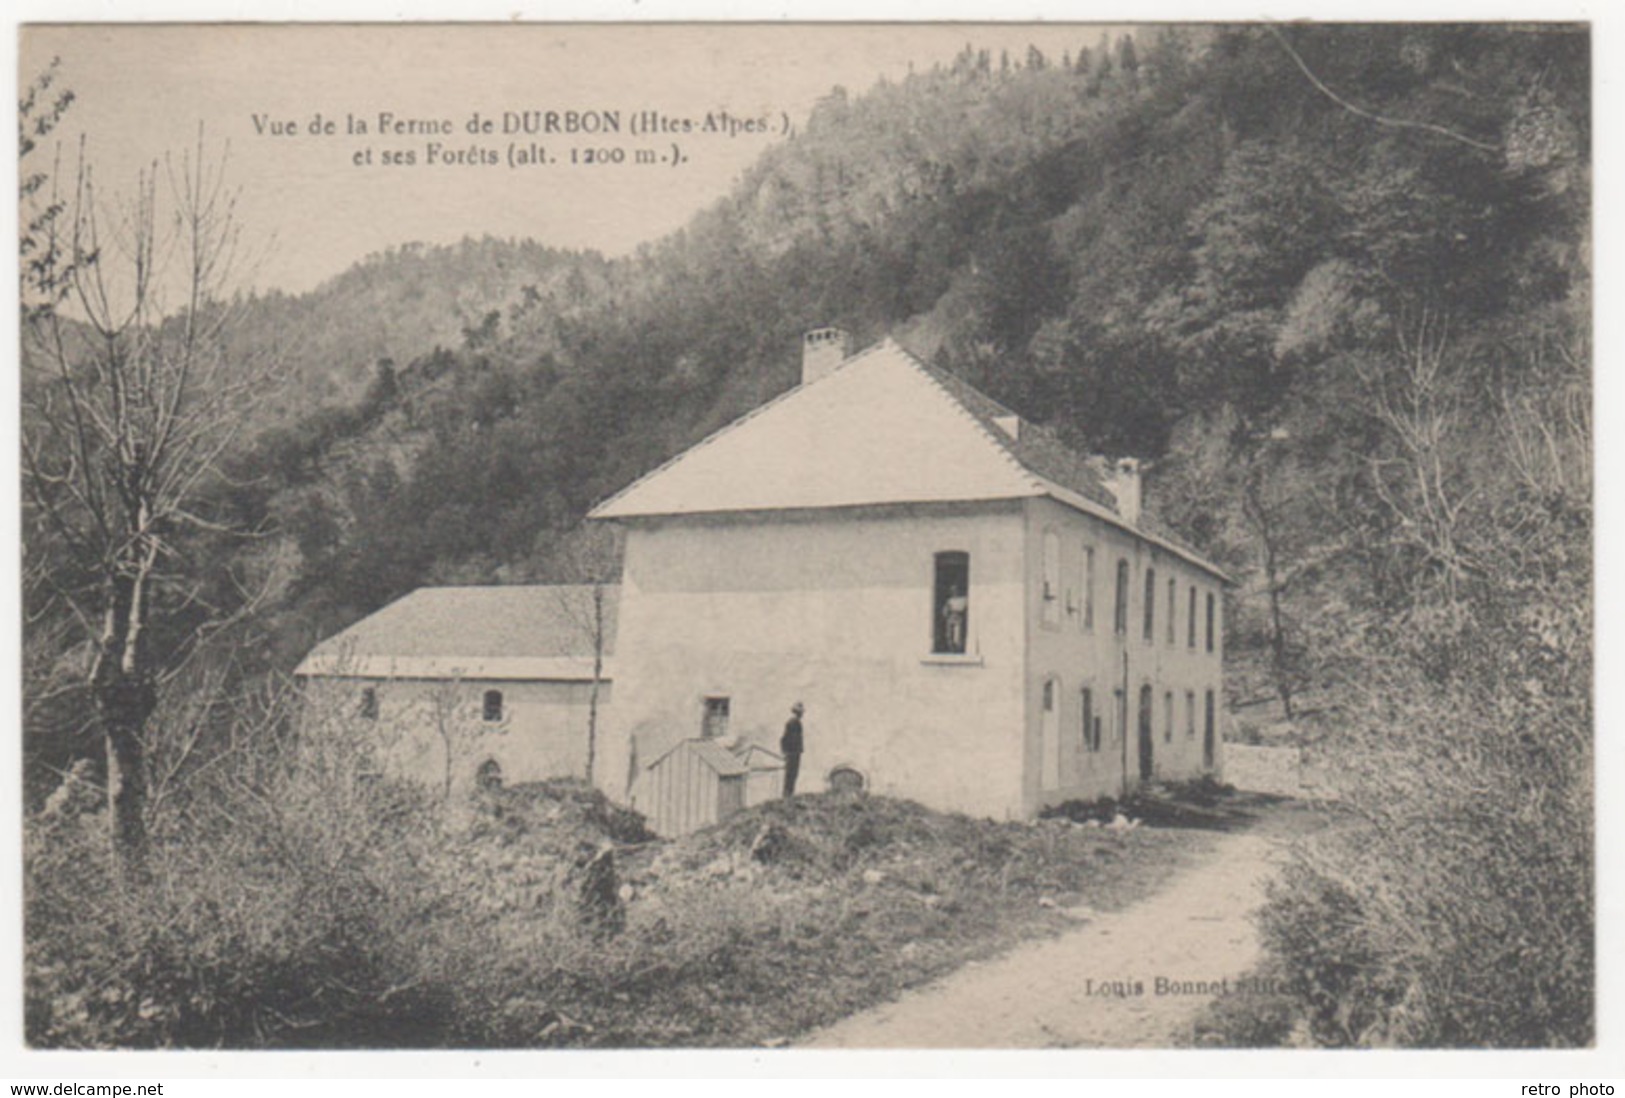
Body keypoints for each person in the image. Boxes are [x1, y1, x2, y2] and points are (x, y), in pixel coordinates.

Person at [781, 702, 805, 798]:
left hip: (794, 752)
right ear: (797, 713)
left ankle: (789, 794)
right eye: (800, 712)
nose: (802, 714)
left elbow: (784, 739)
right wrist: (787, 751)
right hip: (793, 752)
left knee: (792, 774)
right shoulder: (793, 723)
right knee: (791, 774)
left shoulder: (795, 723)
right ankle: (788, 794)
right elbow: (785, 738)